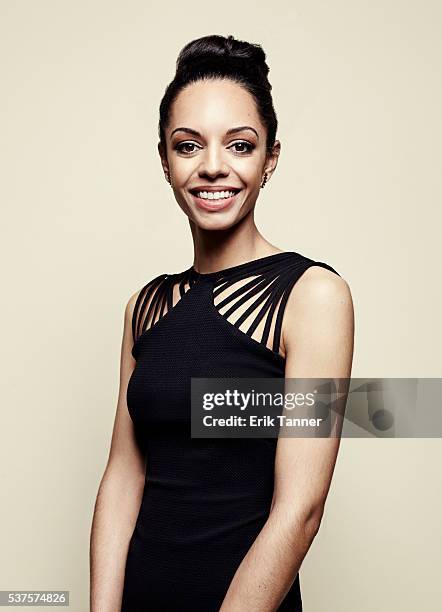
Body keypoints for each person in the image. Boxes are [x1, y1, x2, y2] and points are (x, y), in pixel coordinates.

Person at [90, 34, 354, 612]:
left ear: (270, 159)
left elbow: (300, 510)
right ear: (165, 160)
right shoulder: (146, 306)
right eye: (189, 146)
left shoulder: (314, 296)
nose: (213, 167)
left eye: (239, 145)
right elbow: (122, 477)